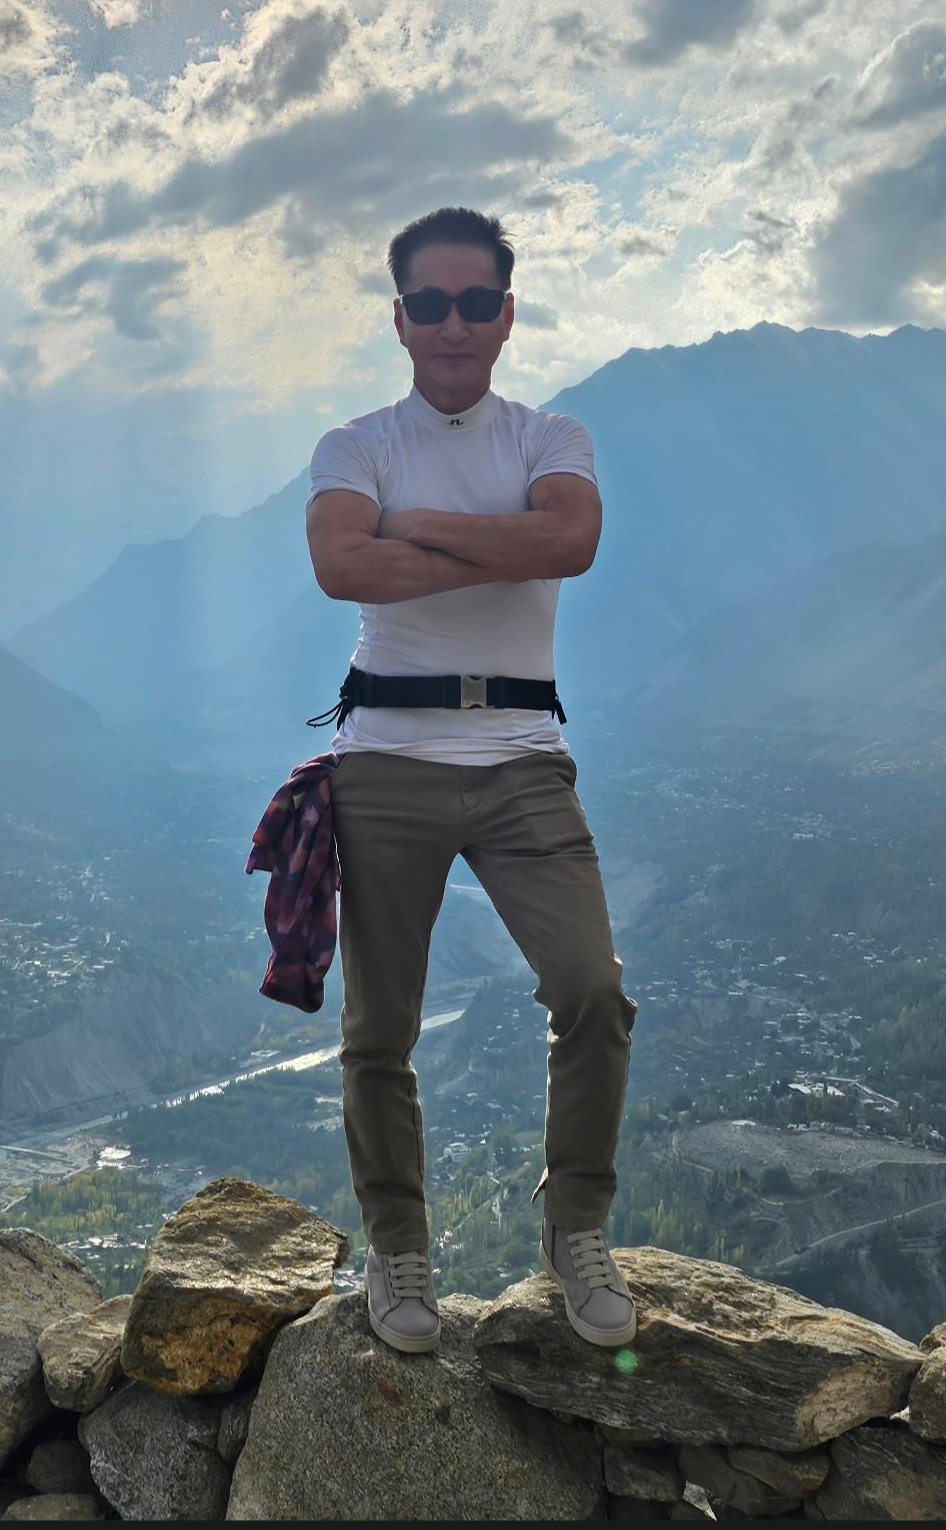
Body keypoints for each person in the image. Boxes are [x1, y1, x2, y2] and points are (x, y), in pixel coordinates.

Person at [305, 206, 638, 1355]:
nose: (455, 323)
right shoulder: (354, 444)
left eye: (477, 301)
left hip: (523, 757)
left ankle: (575, 1227)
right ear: (400, 318)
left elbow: (570, 543)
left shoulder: (552, 436)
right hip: (385, 758)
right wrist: (501, 538)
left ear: (508, 313)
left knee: (591, 987)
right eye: (432, 303)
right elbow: (342, 563)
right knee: (378, 1027)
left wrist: (421, 530)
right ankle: (398, 1247)